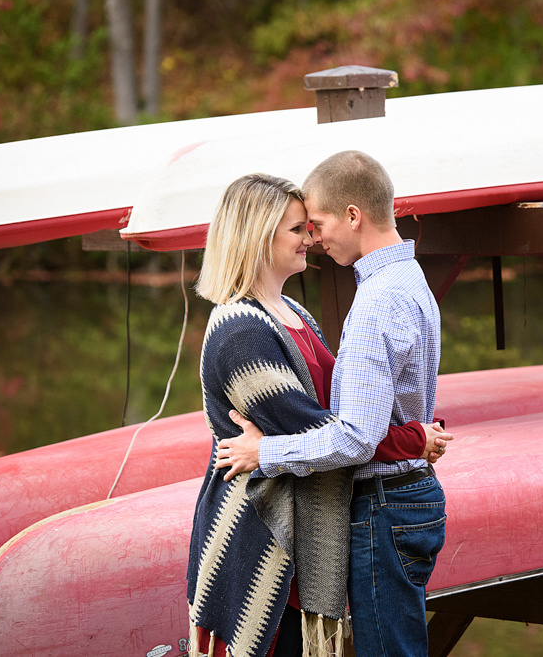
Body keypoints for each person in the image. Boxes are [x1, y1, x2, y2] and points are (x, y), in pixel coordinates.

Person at [188, 172, 449, 657]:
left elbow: (345, 415)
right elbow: (323, 430)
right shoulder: (240, 331)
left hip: (300, 520)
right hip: (261, 533)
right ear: (257, 236)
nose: (310, 237)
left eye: (310, 226)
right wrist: (412, 439)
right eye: (296, 229)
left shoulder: (293, 312)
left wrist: (403, 435)